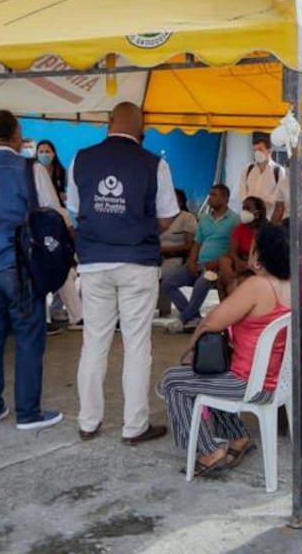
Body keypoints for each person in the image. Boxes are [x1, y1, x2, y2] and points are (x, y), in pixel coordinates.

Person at [69, 102, 179, 444]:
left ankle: (88, 422)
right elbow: (167, 216)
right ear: (141, 127)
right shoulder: (155, 164)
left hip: (93, 263)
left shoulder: (80, 159)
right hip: (137, 263)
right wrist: (137, 226)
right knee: (137, 346)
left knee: (94, 344)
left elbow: (75, 209)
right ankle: (134, 427)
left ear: (109, 122)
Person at [157, 225, 295, 476]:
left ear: (259, 255)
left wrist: (189, 352)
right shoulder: (290, 284)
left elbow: (212, 320)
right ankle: (238, 437)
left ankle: (208, 451)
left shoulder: (259, 285)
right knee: (212, 374)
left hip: (250, 382)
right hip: (275, 380)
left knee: (172, 381)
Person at [0, 110, 64, 431]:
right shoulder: (30, 169)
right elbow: (53, 215)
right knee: (29, 337)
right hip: (21, 266)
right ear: (16, 133)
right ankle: (28, 413)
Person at [163, 184, 239, 333]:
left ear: (225, 198)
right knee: (168, 284)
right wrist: (192, 261)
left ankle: (182, 319)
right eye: (210, 194)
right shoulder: (204, 219)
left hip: (216, 266)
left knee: (200, 285)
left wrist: (218, 262)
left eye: (214, 195)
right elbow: (196, 244)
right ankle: (194, 317)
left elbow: (234, 249)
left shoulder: (234, 220)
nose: (209, 198)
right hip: (198, 263)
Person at [37, 139, 82, 333]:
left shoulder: (62, 175)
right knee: (59, 272)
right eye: (41, 151)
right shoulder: (35, 172)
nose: (44, 154)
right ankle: (64, 316)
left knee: (64, 272)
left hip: (55, 230)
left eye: (47, 151)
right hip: (44, 231)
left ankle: (58, 313)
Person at [159, 189, 197, 313]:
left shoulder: (187, 217)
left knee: (156, 274)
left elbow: (189, 245)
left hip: (176, 257)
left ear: (180, 202)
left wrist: (165, 250)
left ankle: (188, 313)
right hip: (156, 256)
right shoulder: (159, 217)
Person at [220, 196, 267, 294]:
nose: (244, 211)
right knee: (224, 261)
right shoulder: (240, 228)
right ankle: (232, 290)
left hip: (260, 265)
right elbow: (232, 251)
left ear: (258, 213)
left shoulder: (267, 230)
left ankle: (235, 294)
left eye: (248, 208)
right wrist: (238, 261)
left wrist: (249, 265)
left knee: (242, 281)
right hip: (242, 262)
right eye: (243, 208)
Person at [237, 136, 284, 220]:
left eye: (260, 149)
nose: (257, 153)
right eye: (255, 150)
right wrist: (250, 205)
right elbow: (242, 193)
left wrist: (258, 205)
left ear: (269, 151)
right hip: (249, 217)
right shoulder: (248, 169)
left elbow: (277, 195)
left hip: (269, 217)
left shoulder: (278, 171)